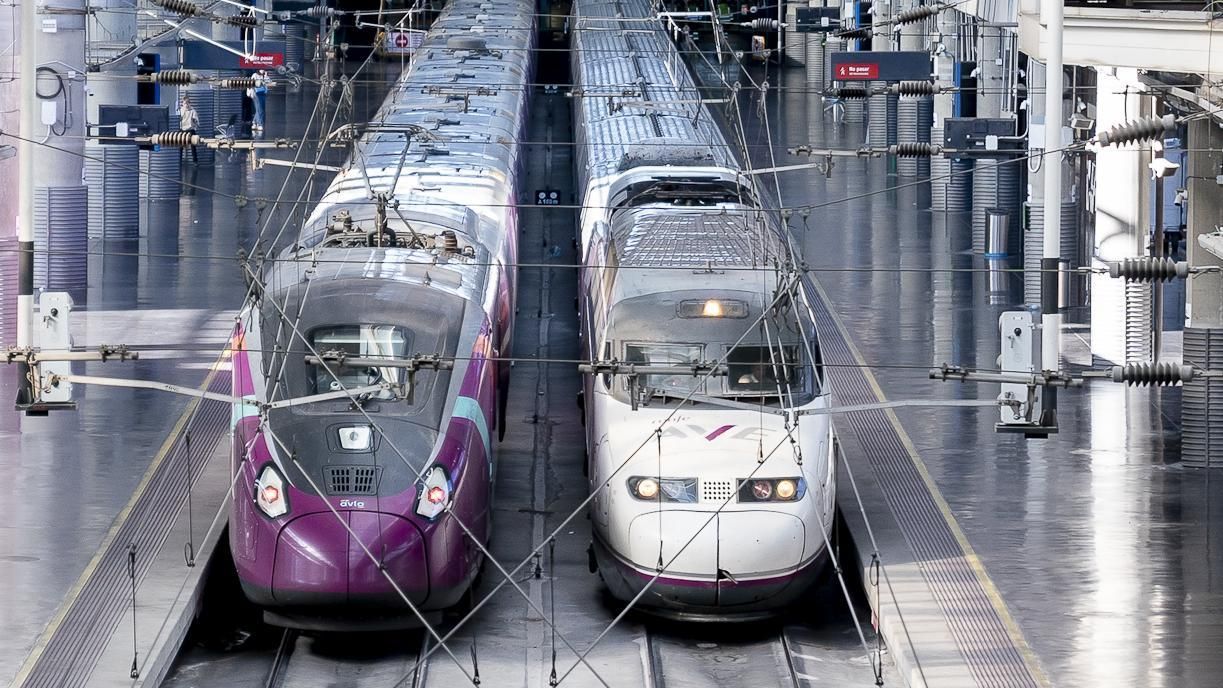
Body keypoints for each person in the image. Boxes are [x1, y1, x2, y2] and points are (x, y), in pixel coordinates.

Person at [179, 96, 199, 163]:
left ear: (190, 103)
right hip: (182, 129)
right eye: (185, 103)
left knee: (193, 145)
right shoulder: (180, 111)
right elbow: (178, 120)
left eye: (188, 103)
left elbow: (196, 120)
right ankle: (179, 160)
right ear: (183, 104)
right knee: (180, 145)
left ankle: (195, 161)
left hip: (190, 130)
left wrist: (195, 121)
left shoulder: (193, 111)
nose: (186, 105)